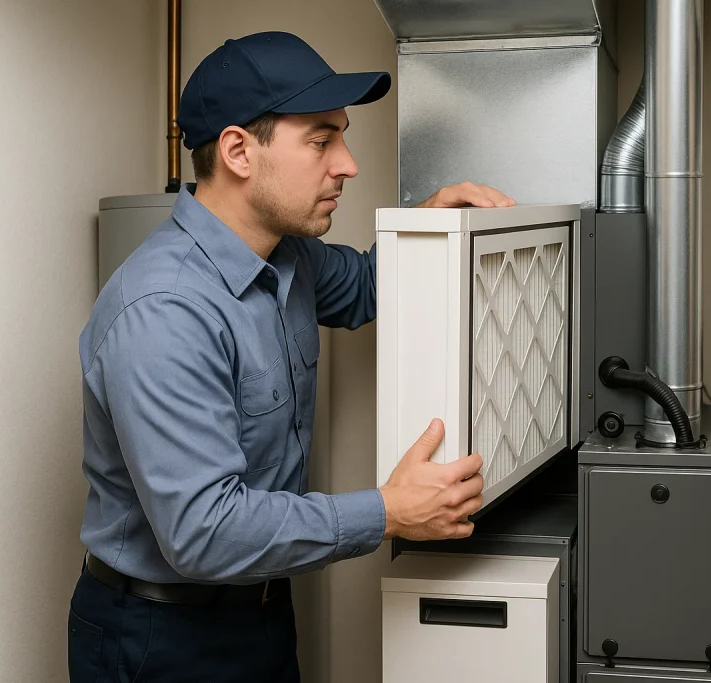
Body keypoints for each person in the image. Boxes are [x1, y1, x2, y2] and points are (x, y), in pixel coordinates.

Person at [67, 31, 514, 683]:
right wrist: (389, 509)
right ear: (239, 151)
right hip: (159, 638)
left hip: (262, 614)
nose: (348, 164)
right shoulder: (163, 310)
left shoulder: (287, 257)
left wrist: (430, 222)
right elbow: (205, 530)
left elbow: (364, 285)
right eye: (321, 140)